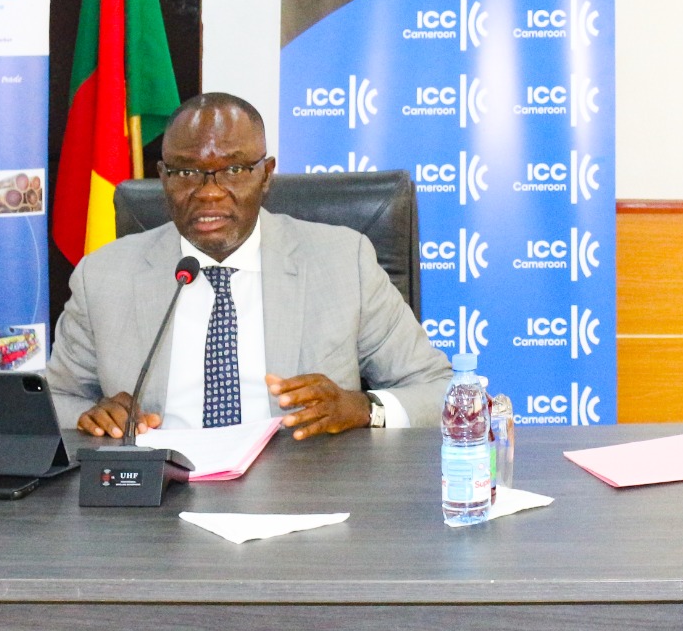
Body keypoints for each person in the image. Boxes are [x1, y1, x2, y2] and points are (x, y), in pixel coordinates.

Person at [47, 92, 452, 438]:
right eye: (187, 171)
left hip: (301, 487)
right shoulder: (103, 276)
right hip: (160, 493)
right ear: (163, 177)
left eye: (234, 170)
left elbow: (438, 389)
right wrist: (92, 417)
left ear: (266, 175)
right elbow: (56, 400)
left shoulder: (343, 262)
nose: (209, 192)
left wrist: (363, 409)